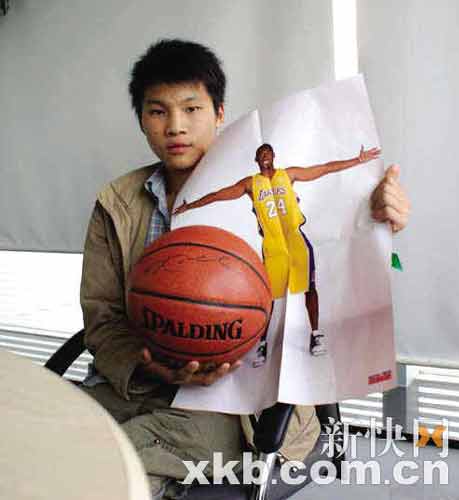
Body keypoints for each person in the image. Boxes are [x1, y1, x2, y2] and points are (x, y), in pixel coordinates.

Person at [79, 39, 411, 498]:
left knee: (104, 463)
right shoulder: (116, 204)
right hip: (138, 384)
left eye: (192, 108)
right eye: (158, 111)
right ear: (141, 119)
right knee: (48, 435)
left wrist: (376, 217)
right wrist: (151, 366)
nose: (176, 126)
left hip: (242, 407)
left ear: (219, 113)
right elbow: (102, 319)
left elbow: (342, 256)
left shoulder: (275, 184)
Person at [174, 142, 381, 359]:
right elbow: (219, 195)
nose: (265, 155)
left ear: (274, 155)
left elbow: (324, 168)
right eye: (260, 153)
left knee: (310, 287)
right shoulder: (250, 184)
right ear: (256, 159)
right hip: (273, 245)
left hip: (296, 240)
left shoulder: (288, 175)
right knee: (269, 295)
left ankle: (315, 334)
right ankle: (262, 342)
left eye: (268, 152)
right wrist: (190, 205)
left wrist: (357, 160)